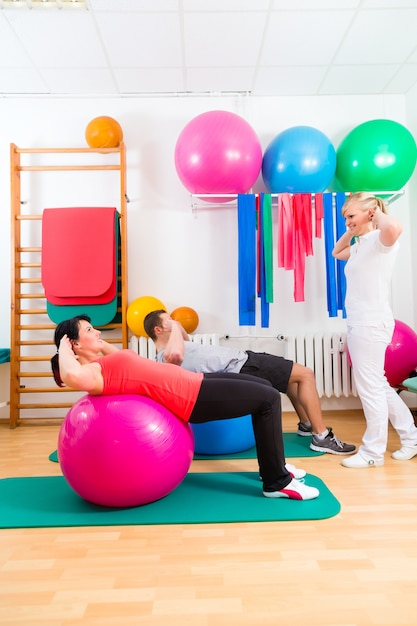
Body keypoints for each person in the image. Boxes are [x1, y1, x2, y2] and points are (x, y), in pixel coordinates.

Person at [51, 315, 319, 500]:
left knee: (266, 388)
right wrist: (64, 345)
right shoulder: (92, 372)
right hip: (189, 396)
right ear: (73, 344)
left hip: (194, 382)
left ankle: (273, 467)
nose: (97, 332)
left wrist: (93, 343)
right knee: (268, 400)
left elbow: (127, 358)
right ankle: (277, 483)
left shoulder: (104, 363)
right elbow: (72, 376)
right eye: (89, 330)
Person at [143, 310, 356, 456]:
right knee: (306, 374)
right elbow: (175, 356)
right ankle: (321, 436)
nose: (173, 322)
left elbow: (185, 339)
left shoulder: (176, 344)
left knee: (293, 378)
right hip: (243, 365)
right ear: (158, 331)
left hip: (244, 360)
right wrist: (176, 324)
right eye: (167, 321)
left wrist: (176, 326)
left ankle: (306, 426)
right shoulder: (166, 355)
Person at [332, 192, 417, 468]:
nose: (347, 221)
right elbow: (336, 251)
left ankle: (372, 453)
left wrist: (374, 211)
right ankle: (411, 438)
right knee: (378, 385)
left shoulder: (381, 241)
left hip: (370, 323)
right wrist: (353, 229)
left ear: (369, 213)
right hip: (361, 322)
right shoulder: (361, 245)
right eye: (345, 217)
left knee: (370, 388)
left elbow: (394, 227)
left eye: (351, 216)